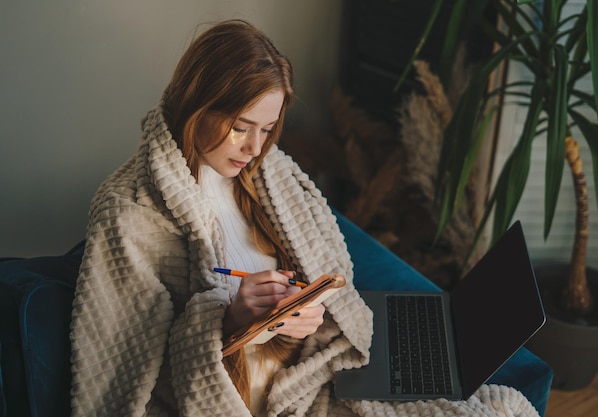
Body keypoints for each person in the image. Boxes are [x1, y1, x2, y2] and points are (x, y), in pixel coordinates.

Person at [69, 19, 538, 417]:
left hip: (314, 368)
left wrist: (307, 314)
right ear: (196, 104)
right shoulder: (128, 211)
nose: (255, 149)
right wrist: (228, 320)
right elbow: (133, 379)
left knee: (505, 408)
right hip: (247, 400)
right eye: (240, 128)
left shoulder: (270, 173)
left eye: (268, 129)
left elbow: (332, 273)